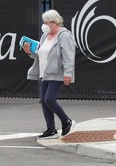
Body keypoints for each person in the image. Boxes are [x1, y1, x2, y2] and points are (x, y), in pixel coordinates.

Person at [23, 9, 76, 140]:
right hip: (44, 73)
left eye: (46, 22)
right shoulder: (44, 36)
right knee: (44, 101)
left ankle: (67, 121)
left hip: (58, 73)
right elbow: (40, 54)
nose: (44, 24)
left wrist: (68, 73)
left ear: (54, 22)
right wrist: (29, 52)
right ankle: (51, 130)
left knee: (49, 99)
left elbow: (69, 56)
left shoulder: (64, 35)